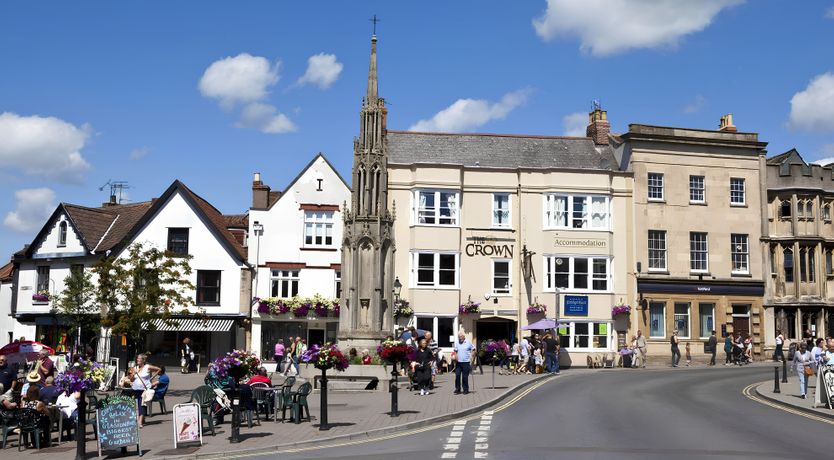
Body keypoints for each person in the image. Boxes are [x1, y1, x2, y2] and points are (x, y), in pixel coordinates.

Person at [131, 354, 160, 427]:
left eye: (139, 359)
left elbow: (158, 369)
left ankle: (140, 422)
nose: (137, 360)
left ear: (143, 360)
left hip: (144, 389)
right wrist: (133, 374)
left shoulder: (147, 367)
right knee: (137, 405)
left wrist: (151, 378)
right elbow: (131, 379)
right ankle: (142, 419)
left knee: (142, 405)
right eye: (137, 358)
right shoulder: (135, 368)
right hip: (135, 389)